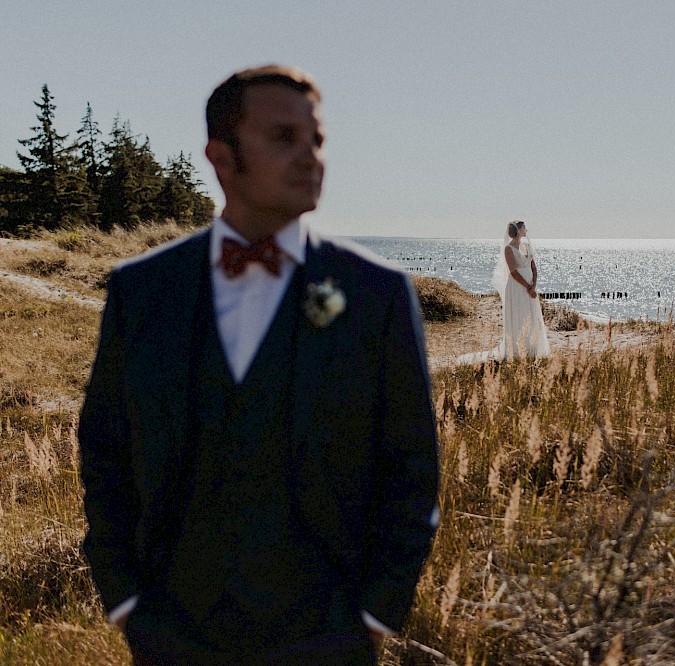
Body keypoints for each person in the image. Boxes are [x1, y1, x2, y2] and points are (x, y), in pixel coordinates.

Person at [78, 65, 440, 665]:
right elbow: (104, 449)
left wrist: (374, 615)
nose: (310, 158)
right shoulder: (142, 291)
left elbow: (411, 466)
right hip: (173, 634)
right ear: (221, 157)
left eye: (316, 140)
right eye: (282, 138)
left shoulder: (376, 294)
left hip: (327, 637)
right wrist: (123, 600)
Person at [490, 220, 551, 359]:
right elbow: (513, 272)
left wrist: (533, 286)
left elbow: (533, 268)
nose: (526, 230)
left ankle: (532, 348)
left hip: (530, 287)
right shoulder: (508, 249)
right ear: (518, 230)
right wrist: (527, 286)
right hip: (517, 288)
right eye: (524, 228)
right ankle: (518, 351)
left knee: (531, 315)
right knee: (519, 315)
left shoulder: (527, 246)